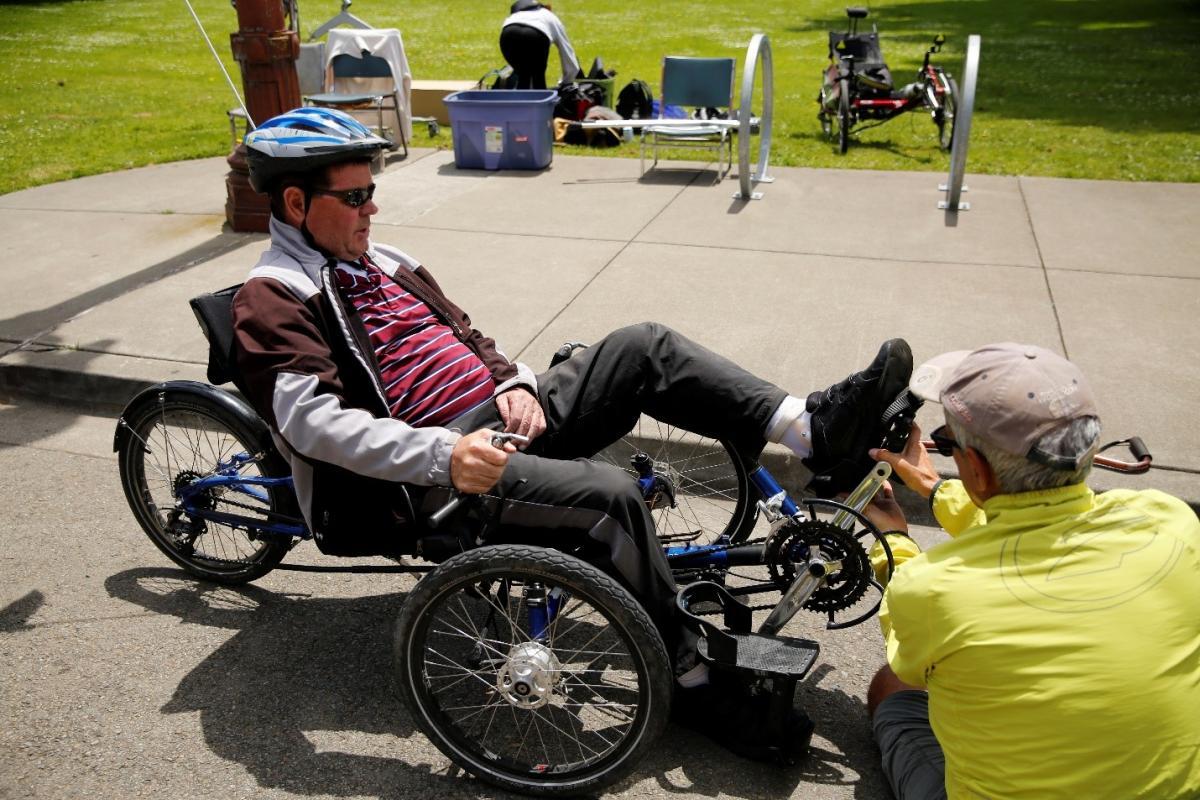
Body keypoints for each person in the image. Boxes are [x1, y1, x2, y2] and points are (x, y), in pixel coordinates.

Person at [231, 106, 912, 750]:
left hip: (498, 419)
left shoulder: (384, 260)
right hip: (434, 477)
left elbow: (468, 333)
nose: (371, 207)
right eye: (354, 198)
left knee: (643, 346)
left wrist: (513, 381)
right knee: (611, 497)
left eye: (371, 191)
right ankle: (697, 685)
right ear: (296, 204)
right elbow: (313, 425)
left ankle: (814, 431)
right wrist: (447, 453)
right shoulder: (274, 297)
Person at [861, 343, 1200, 799]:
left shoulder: (933, 591)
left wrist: (894, 542)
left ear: (976, 469)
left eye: (947, 444)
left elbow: (915, 653)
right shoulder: (1166, 520)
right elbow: (1041, 523)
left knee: (895, 687)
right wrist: (937, 489)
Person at [499, 0, 580, 90]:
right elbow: (566, 51)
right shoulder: (550, 16)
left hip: (508, 33)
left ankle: (520, 100)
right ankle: (539, 101)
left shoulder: (515, 15)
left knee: (523, 74)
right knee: (538, 77)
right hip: (536, 34)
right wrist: (567, 81)